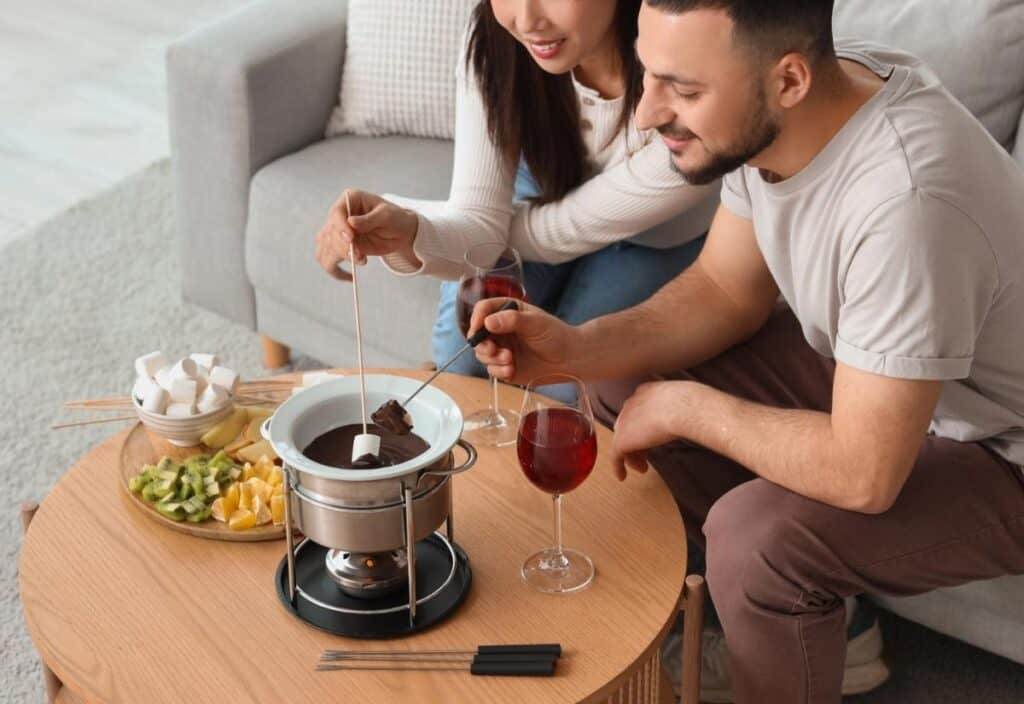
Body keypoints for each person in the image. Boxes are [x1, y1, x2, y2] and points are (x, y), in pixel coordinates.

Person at [468, 0, 1024, 702]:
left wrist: (688, 407)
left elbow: (864, 472)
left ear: (788, 80)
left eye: (685, 90)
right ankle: (800, 625)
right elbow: (725, 291)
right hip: (906, 387)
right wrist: (579, 347)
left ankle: (779, 614)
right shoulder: (785, 103)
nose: (647, 115)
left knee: (756, 541)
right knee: (622, 379)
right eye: (650, 76)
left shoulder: (907, 204)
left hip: (1005, 446)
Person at [314, 0, 718, 397]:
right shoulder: (495, 42)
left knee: (562, 389)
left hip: (655, 236)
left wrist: (415, 223)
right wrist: (402, 231)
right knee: (464, 356)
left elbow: (543, 235)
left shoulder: (686, 77)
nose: (527, 21)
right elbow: (478, 224)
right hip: (546, 184)